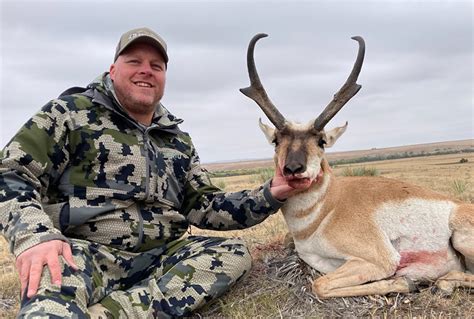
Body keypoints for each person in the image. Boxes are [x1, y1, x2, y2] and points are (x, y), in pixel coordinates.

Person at [0, 27, 310, 318]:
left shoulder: (176, 139)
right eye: (134, 61)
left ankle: (115, 311)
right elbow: (11, 173)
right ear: (113, 70)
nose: (146, 70)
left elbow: (204, 207)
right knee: (47, 292)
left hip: (164, 257)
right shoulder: (69, 114)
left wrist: (270, 193)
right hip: (87, 255)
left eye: (156, 65)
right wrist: (36, 237)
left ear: (163, 78)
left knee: (233, 254)